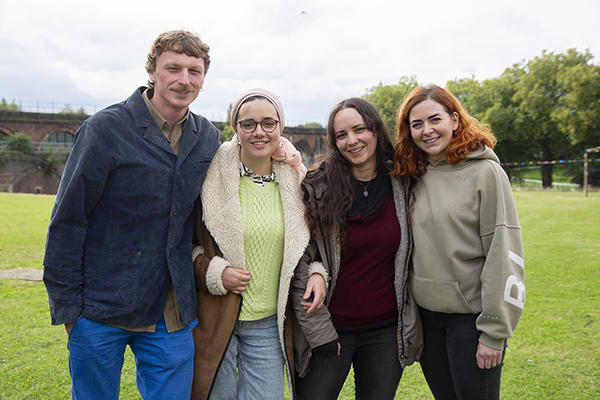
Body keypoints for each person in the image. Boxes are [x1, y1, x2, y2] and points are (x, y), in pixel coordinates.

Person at [42, 30, 221, 400]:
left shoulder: (207, 137)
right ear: (152, 71)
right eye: (173, 68)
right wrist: (70, 312)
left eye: (194, 70)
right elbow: (68, 220)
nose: (184, 80)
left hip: (171, 312)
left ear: (204, 77)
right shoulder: (104, 129)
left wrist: (286, 152)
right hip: (100, 306)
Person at [393, 84, 525, 400]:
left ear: (454, 119)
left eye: (434, 119)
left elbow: (503, 254)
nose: (427, 131)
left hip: (472, 322)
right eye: (417, 124)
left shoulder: (486, 173)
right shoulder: (412, 174)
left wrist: (494, 333)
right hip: (427, 320)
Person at [291, 98, 423, 400]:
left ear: (376, 131)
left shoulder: (403, 183)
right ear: (334, 142)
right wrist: (321, 330)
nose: (352, 141)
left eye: (359, 129)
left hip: (385, 332)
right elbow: (301, 258)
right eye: (341, 135)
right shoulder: (318, 186)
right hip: (330, 327)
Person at [190, 88, 309, 399]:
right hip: (216, 316)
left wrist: (319, 272)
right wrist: (214, 273)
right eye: (249, 124)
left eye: (268, 123)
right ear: (236, 129)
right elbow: (183, 245)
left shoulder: (297, 182)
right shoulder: (209, 177)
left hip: (267, 322)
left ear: (280, 127)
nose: (259, 132)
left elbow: (311, 245)